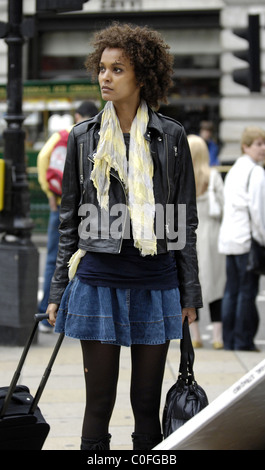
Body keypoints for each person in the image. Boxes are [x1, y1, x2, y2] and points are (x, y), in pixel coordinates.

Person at [47, 22, 202, 450]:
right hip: (97, 279)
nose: (105, 77)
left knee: (147, 402)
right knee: (98, 401)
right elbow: (70, 222)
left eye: (117, 69)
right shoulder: (84, 136)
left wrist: (190, 292)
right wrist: (58, 290)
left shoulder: (171, 137)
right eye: (102, 68)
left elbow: (184, 220)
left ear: (142, 75)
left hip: (155, 281)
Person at [37, 101, 98, 332]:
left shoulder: (65, 134)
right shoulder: (97, 134)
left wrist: (49, 192)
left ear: (77, 115)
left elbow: (43, 158)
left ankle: (47, 313)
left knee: (56, 258)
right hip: (88, 209)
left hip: (63, 204)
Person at [219, 126, 265, 351]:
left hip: (230, 239)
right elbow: (258, 211)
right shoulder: (256, 172)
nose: (263, 148)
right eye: (258, 144)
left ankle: (230, 340)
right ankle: (242, 340)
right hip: (246, 239)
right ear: (245, 146)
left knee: (232, 291)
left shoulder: (236, 168)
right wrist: (263, 238)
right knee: (246, 293)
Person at [187, 135, 226, 349]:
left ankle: (196, 335)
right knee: (216, 284)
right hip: (212, 235)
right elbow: (224, 206)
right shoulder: (213, 177)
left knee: (193, 283)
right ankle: (218, 336)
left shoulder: (181, 177)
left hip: (191, 235)